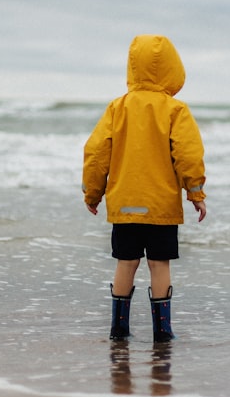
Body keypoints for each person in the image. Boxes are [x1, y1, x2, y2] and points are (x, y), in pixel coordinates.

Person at [82, 34, 207, 342]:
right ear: (171, 68)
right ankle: (162, 331)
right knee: (158, 263)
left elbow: (97, 152)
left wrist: (92, 192)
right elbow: (188, 154)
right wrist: (195, 193)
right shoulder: (175, 110)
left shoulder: (117, 108)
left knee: (126, 262)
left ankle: (118, 329)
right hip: (161, 206)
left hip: (125, 205)